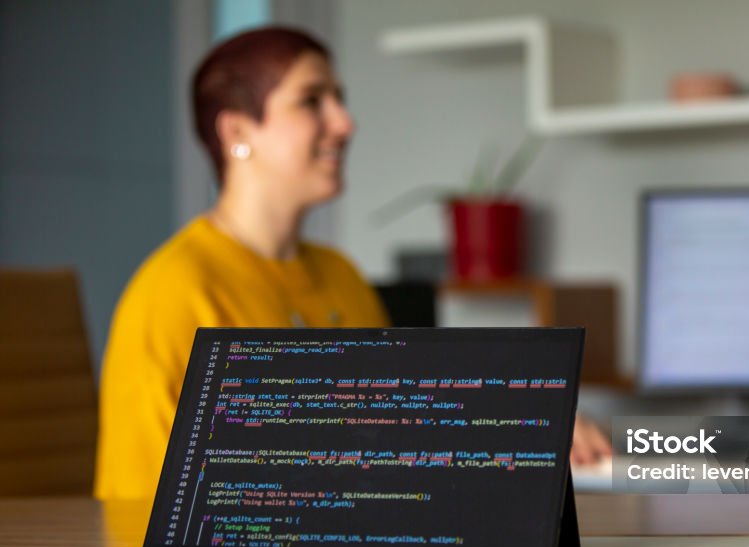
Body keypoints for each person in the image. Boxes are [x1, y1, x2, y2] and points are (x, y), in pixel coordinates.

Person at [94, 27, 609, 502]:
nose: (344, 122)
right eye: (312, 100)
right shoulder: (172, 294)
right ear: (235, 131)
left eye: (340, 99)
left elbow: (386, 441)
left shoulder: (340, 275)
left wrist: (525, 427)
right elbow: (142, 513)